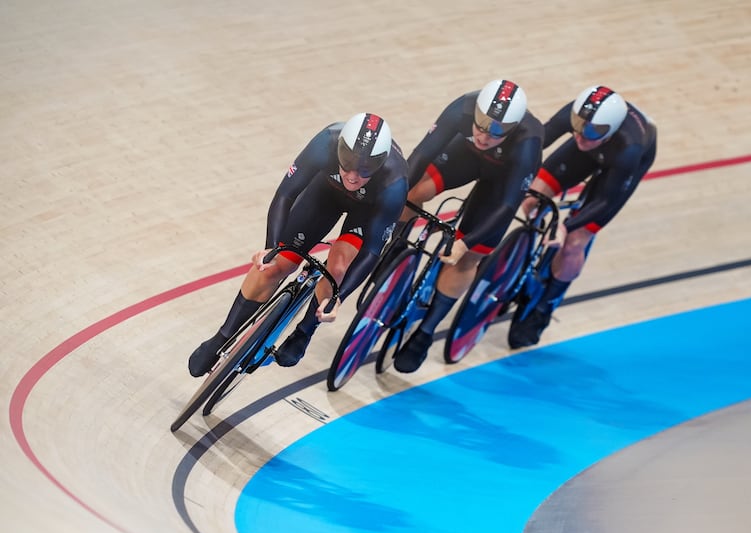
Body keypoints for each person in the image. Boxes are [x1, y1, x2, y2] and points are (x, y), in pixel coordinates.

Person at [188, 113, 409, 376]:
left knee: (337, 268)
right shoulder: (326, 141)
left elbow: (372, 250)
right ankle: (222, 336)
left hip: (366, 211)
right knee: (272, 266)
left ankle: (304, 331)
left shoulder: (394, 183)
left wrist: (337, 298)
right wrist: (272, 247)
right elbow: (285, 194)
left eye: (364, 170)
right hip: (324, 194)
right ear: (340, 150)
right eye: (347, 163)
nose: (352, 176)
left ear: (379, 164)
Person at [391, 79, 545, 373]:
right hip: (465, 157)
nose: (485, 135)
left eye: (497, 130)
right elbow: (421, 155)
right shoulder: (463, 107)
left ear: (511, 129)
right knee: (409, 195)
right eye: (482, 124)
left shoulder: (528, 142)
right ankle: (397, 256)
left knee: (468, 255)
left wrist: (465, 242)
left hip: (501, 182)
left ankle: (426, 331)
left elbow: (506, 207)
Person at [508, 85, 658, 348]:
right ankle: (523, 258)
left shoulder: (629, 147)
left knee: (575, 240)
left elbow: (604, 200)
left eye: (591, 131)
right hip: (597, 148)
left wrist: (566, 227)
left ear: (608, 131)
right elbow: (537, 142)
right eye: (578, 125)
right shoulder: (581, 122)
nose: (581, 135)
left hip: (625, 163)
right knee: (532, 197)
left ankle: (544, 307)